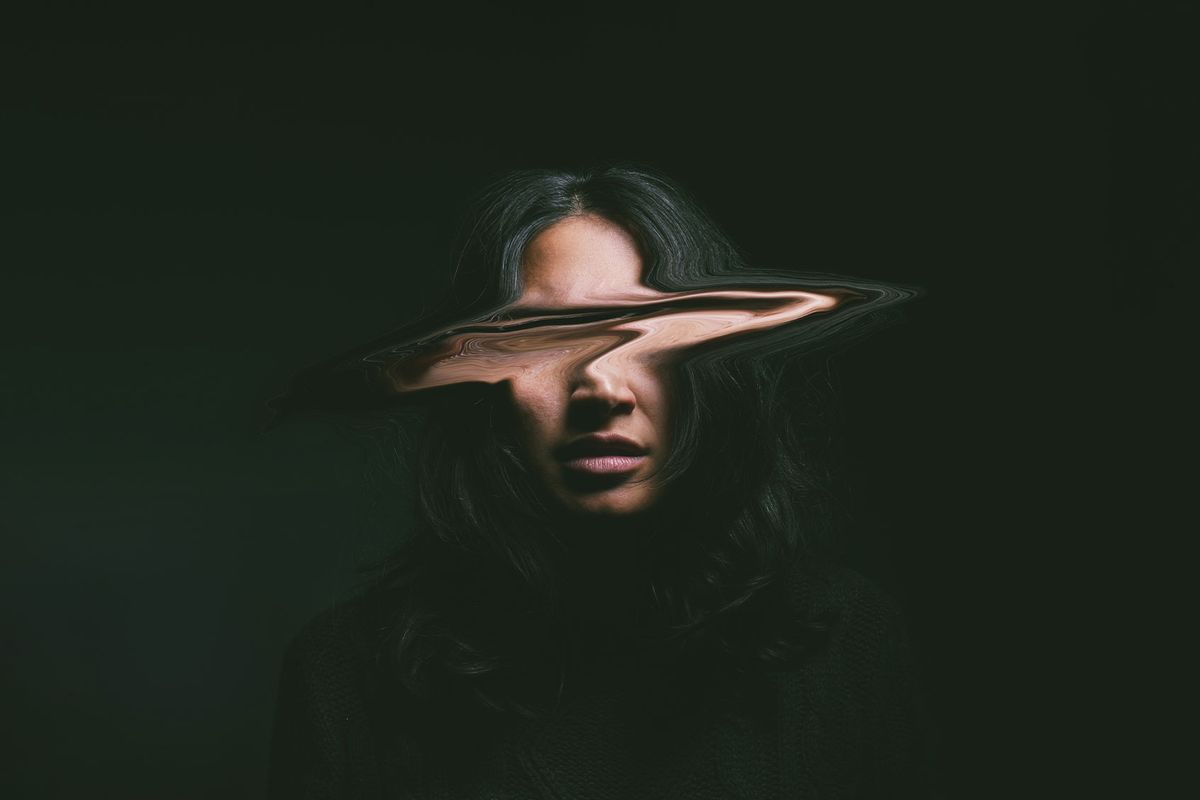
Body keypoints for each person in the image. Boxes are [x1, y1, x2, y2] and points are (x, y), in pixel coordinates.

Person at [266, 165, 935, 799]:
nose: (600, 387)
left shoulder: (850, 643)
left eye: (648, 334)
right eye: (546, 337)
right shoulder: (348, 676)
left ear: (714, 368)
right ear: (480, 386)